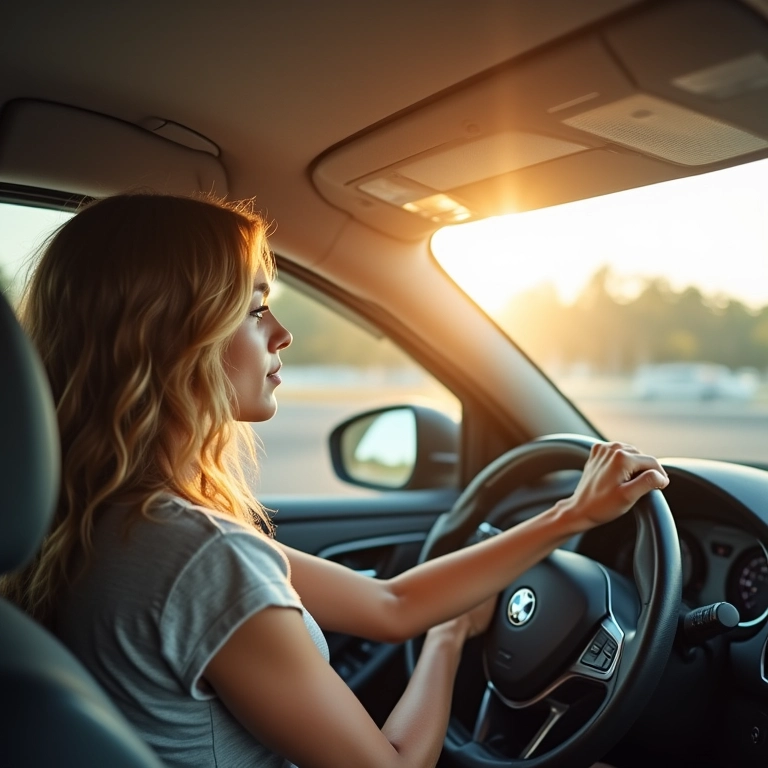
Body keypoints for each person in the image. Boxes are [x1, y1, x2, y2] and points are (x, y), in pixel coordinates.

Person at [2, 192, 669, 768]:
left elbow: (389, 607)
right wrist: (447, 643)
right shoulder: (199, 558)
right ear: (172, 336)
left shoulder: (96, 520)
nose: (283, 334)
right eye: (255, 308)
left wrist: (571, 517)